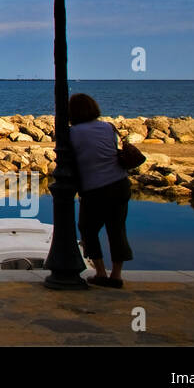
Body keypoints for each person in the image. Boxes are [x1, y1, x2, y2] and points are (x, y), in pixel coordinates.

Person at [67, 92, 133, 288]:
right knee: (117, 229)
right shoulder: (108, 128)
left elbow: (71, 160)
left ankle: (101, 272)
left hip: (94, 188)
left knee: (88, 229)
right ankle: (117, 275)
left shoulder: (72, 133)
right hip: (120, 184)